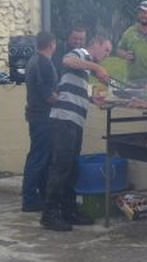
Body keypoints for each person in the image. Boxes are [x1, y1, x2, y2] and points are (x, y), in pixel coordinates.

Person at [40, 36, 112, 232]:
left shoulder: (85, 68)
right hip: (64, 120)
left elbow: (78, 90)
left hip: (74, 121)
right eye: (105, 50)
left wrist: (92, 99)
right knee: (61, 167)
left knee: (71, 168)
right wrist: (97, 68)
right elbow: (66, 60)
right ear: (95, 44)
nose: (106, 56)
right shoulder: (82, 53)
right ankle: (49, 214)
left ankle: (68, 210)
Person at [21, 31, 58, 212]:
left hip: (37, 115)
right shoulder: (42, 63)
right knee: (38, 157)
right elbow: (47, 95)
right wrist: (64, 100)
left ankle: (41, 195)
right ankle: (29, 199)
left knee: (42, 157)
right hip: (42, 116)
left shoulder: (33, 61)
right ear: (52, 44)